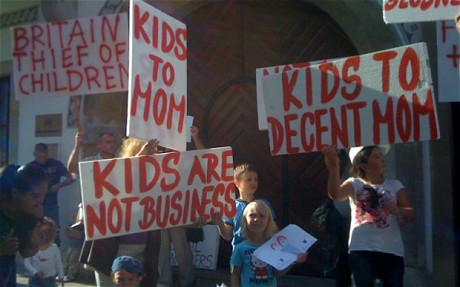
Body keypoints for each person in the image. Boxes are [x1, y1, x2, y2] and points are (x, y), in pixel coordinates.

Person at [322, 145, 416, 287]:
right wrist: (334, 167)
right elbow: (335, 194)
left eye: (381, 156)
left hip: (391, 251)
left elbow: (411, 214)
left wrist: (398, 210)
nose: (383, 160)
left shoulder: (395, 185)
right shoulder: (355, 184)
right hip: (362, 251)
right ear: (364, 165)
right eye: (376, 157)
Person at [78, 137, 161, 287]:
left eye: (154, 152)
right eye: (148, 152)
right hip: (110, 249)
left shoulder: (158, 180)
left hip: (142, 249)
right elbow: (119, 185)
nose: (153, 156)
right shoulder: (113, 174)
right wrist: (140, 158)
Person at [157, 126, 206, 287]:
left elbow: (205, 158)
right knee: (161, 249)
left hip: (179, 210)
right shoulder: (156, 156)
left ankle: (187, 281)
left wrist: (196, 138)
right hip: (159, 210)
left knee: (182, 249)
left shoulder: (186, 158)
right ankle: (164, 282)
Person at [230, 200, 307, 287]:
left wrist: (294, 260)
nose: (256, 219)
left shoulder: (273, 247)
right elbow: (235, 275)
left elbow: (277, 273)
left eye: (262, 216)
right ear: (244, 220)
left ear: (269, 222)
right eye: (252, 215)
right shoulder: (240, 248)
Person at [0, 164, 47, 286]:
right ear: (15, 193)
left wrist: (36, 237)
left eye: (43, 195)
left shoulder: (27, 213)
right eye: (35, 196)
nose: (41, 201)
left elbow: (25, 252)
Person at [213, 163, 275, 250]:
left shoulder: (264, 204)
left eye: (255, 180)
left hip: (262, 253)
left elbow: (274, 230)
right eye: (249, 180)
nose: (253, 182)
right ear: (237, 183)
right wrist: (220, 223)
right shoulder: (231, 206)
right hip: (240, 256)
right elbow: (227, 235)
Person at [29, 143, 75, 244]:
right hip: (35, 205)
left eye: (44, 156)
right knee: (35, 231)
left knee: (53, 232)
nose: (42, 159)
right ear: (34, 154)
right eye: (39, 157)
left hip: (51, 204)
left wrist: (59, 185)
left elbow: (71, 177)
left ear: (47, 154)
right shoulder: (31, 167)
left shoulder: (54, 164)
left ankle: (54, 254)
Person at [24, 217, 64, 287]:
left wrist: (61, 276)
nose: (44, 236)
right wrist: (35, 272)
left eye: (47, 232)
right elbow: (27, 263)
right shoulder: (32, 247)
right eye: (41, 233)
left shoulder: (54, 248)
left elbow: (58, 263)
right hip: (34, 281)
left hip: (50, 281)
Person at [62, 211, 84, 282]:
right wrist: (73, 234)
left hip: (76, 247)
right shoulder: (70, 224)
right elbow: (66, 232)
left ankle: (71, 275)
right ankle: (63, 274)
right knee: (66, 260)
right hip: (69, 246)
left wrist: (72, 233)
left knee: (73, 261)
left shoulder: (81, 226)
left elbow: (80, 236)